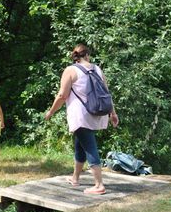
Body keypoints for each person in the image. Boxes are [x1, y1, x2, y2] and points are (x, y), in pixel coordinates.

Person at [44, 44, 119, 195]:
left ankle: (99, 185)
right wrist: (113, 113)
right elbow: (106, 92)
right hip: (97, 112)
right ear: (88, 55)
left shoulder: (70, 70)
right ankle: (75, 178)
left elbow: (62, 96)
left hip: (80, 115)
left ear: (75, 57)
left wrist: (51, 112)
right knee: (81, 144)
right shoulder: (97, 69)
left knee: (89, 146)